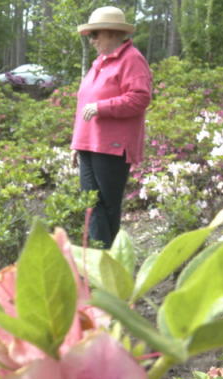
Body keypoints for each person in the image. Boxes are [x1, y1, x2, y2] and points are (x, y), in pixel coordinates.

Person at [71, 6, 152, 249]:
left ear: (113, 33)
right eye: (90, 35)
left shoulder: (132, 59)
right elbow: (83, 103)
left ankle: (108, 266)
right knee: (90, 205)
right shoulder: (99, 63)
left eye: (95, 34)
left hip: (112, 147)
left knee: (106, 205)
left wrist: (102, 107)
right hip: (88, 144)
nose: (92, 40)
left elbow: (140, 97)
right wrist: (76, 143)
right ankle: (97, 264)